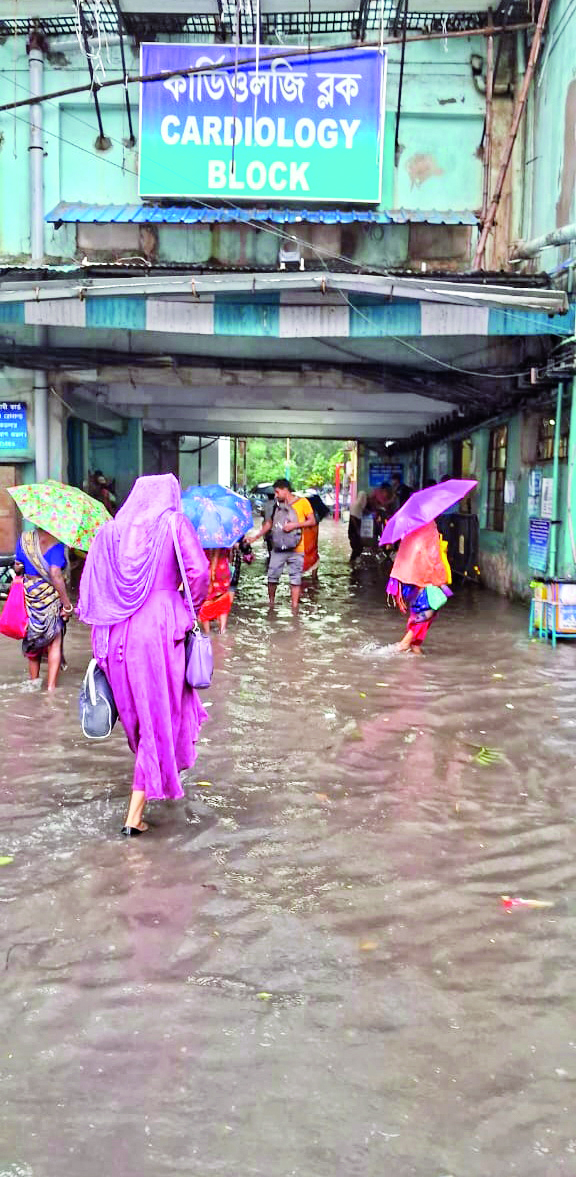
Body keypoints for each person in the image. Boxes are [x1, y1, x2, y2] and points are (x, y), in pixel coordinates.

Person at [78, 474, 210, 837]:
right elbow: (198, 572)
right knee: (158, 718)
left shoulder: (111, 531)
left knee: (139, 719)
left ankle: (146, 788)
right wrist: (187, 606)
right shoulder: (173, 523)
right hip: (159, 630)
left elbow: (93, 584)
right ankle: (133, 817)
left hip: (117, 632)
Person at [14, 528, 73, 691]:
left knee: (32, 639)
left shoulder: (25, 539)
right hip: (50, 597)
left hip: (30, 596)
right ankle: (51, 688)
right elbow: (55, 573)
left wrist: (23, 564)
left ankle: (33, 682)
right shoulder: (57, 544)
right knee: (54, 641)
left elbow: (18, 567)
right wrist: (67, 605)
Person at [386, 521, 452, 654]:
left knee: (418, 612)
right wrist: (441, 579)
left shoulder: (410, 527)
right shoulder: (430, 528)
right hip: (425, 579)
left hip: (409, 578)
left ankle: (415, 649)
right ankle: (405, 643)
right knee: (426, 613)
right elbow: (433, 557)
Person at [251, 478, 316, 611]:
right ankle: (271, 604)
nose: (275, 495)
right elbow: (269, 523)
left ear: (285, 490)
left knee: (296, 578)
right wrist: (255, 536)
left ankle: (294, 607)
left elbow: (312, 521)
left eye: (277, 492)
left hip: (297, 548)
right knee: (272, 576)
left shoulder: (303, 503)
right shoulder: (275, 505)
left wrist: (295, 525)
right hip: (278, 547)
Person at [199, 548, 233, 634]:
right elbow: (230, 555)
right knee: (223, 598)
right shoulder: (223, 538)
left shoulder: (201, 539)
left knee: (206, 600)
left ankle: (207, 633)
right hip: (222, 570)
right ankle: (222, 630)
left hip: (206, 569)